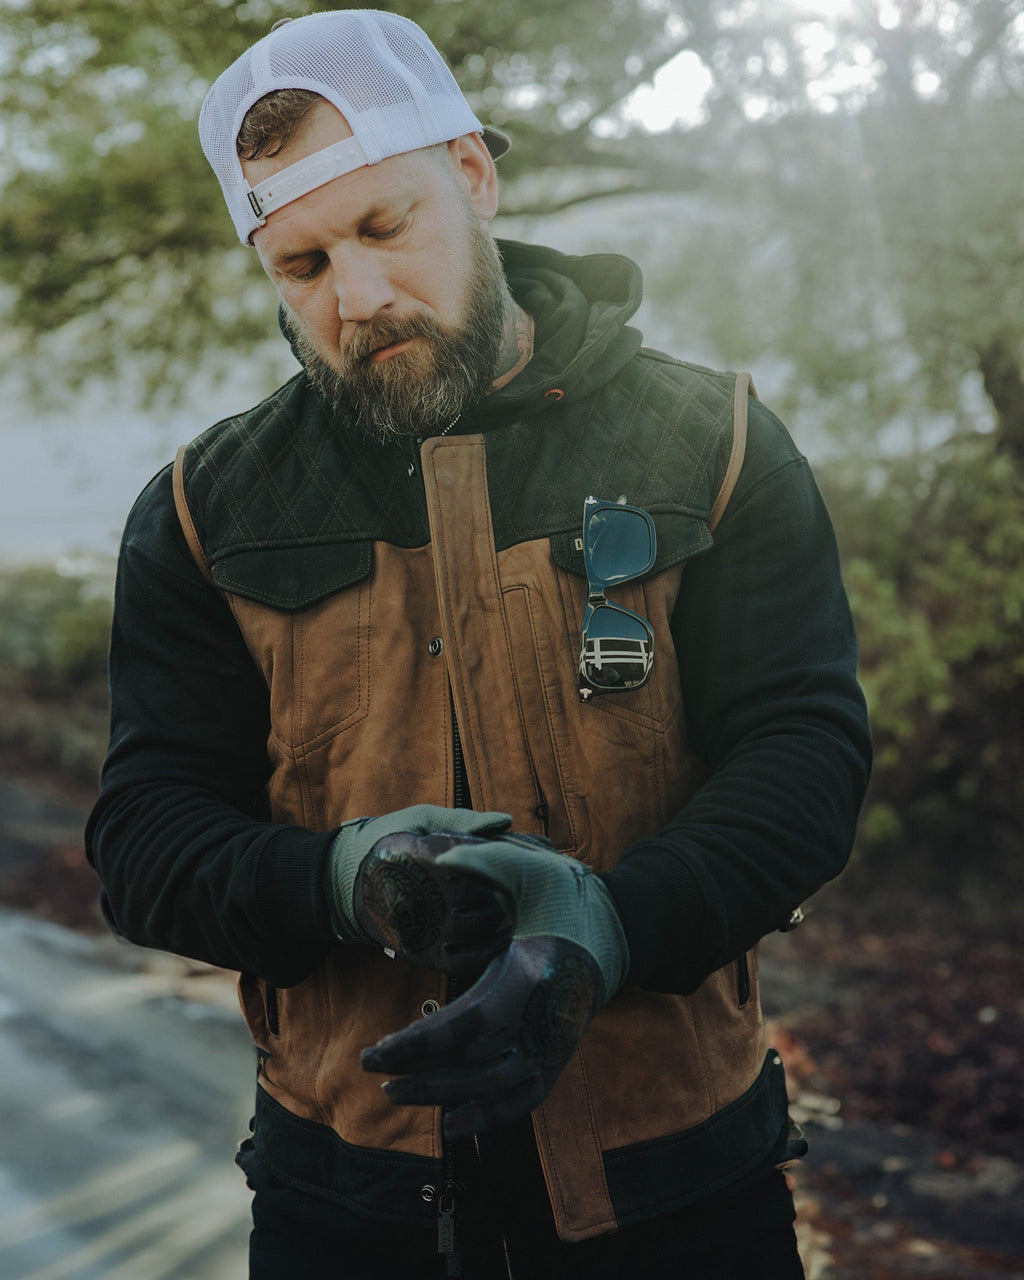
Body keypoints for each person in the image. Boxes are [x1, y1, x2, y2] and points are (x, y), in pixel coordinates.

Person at [86, 10, 872, 1278]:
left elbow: (806, 755)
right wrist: (342, 878)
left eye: (385, 227)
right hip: (344, 1205)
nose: (358, 296)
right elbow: (144, 838)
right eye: (300, 263)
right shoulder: (203, 510)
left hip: (680, 1188)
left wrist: (608, 925)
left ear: (472, 172)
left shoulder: (713, 441)